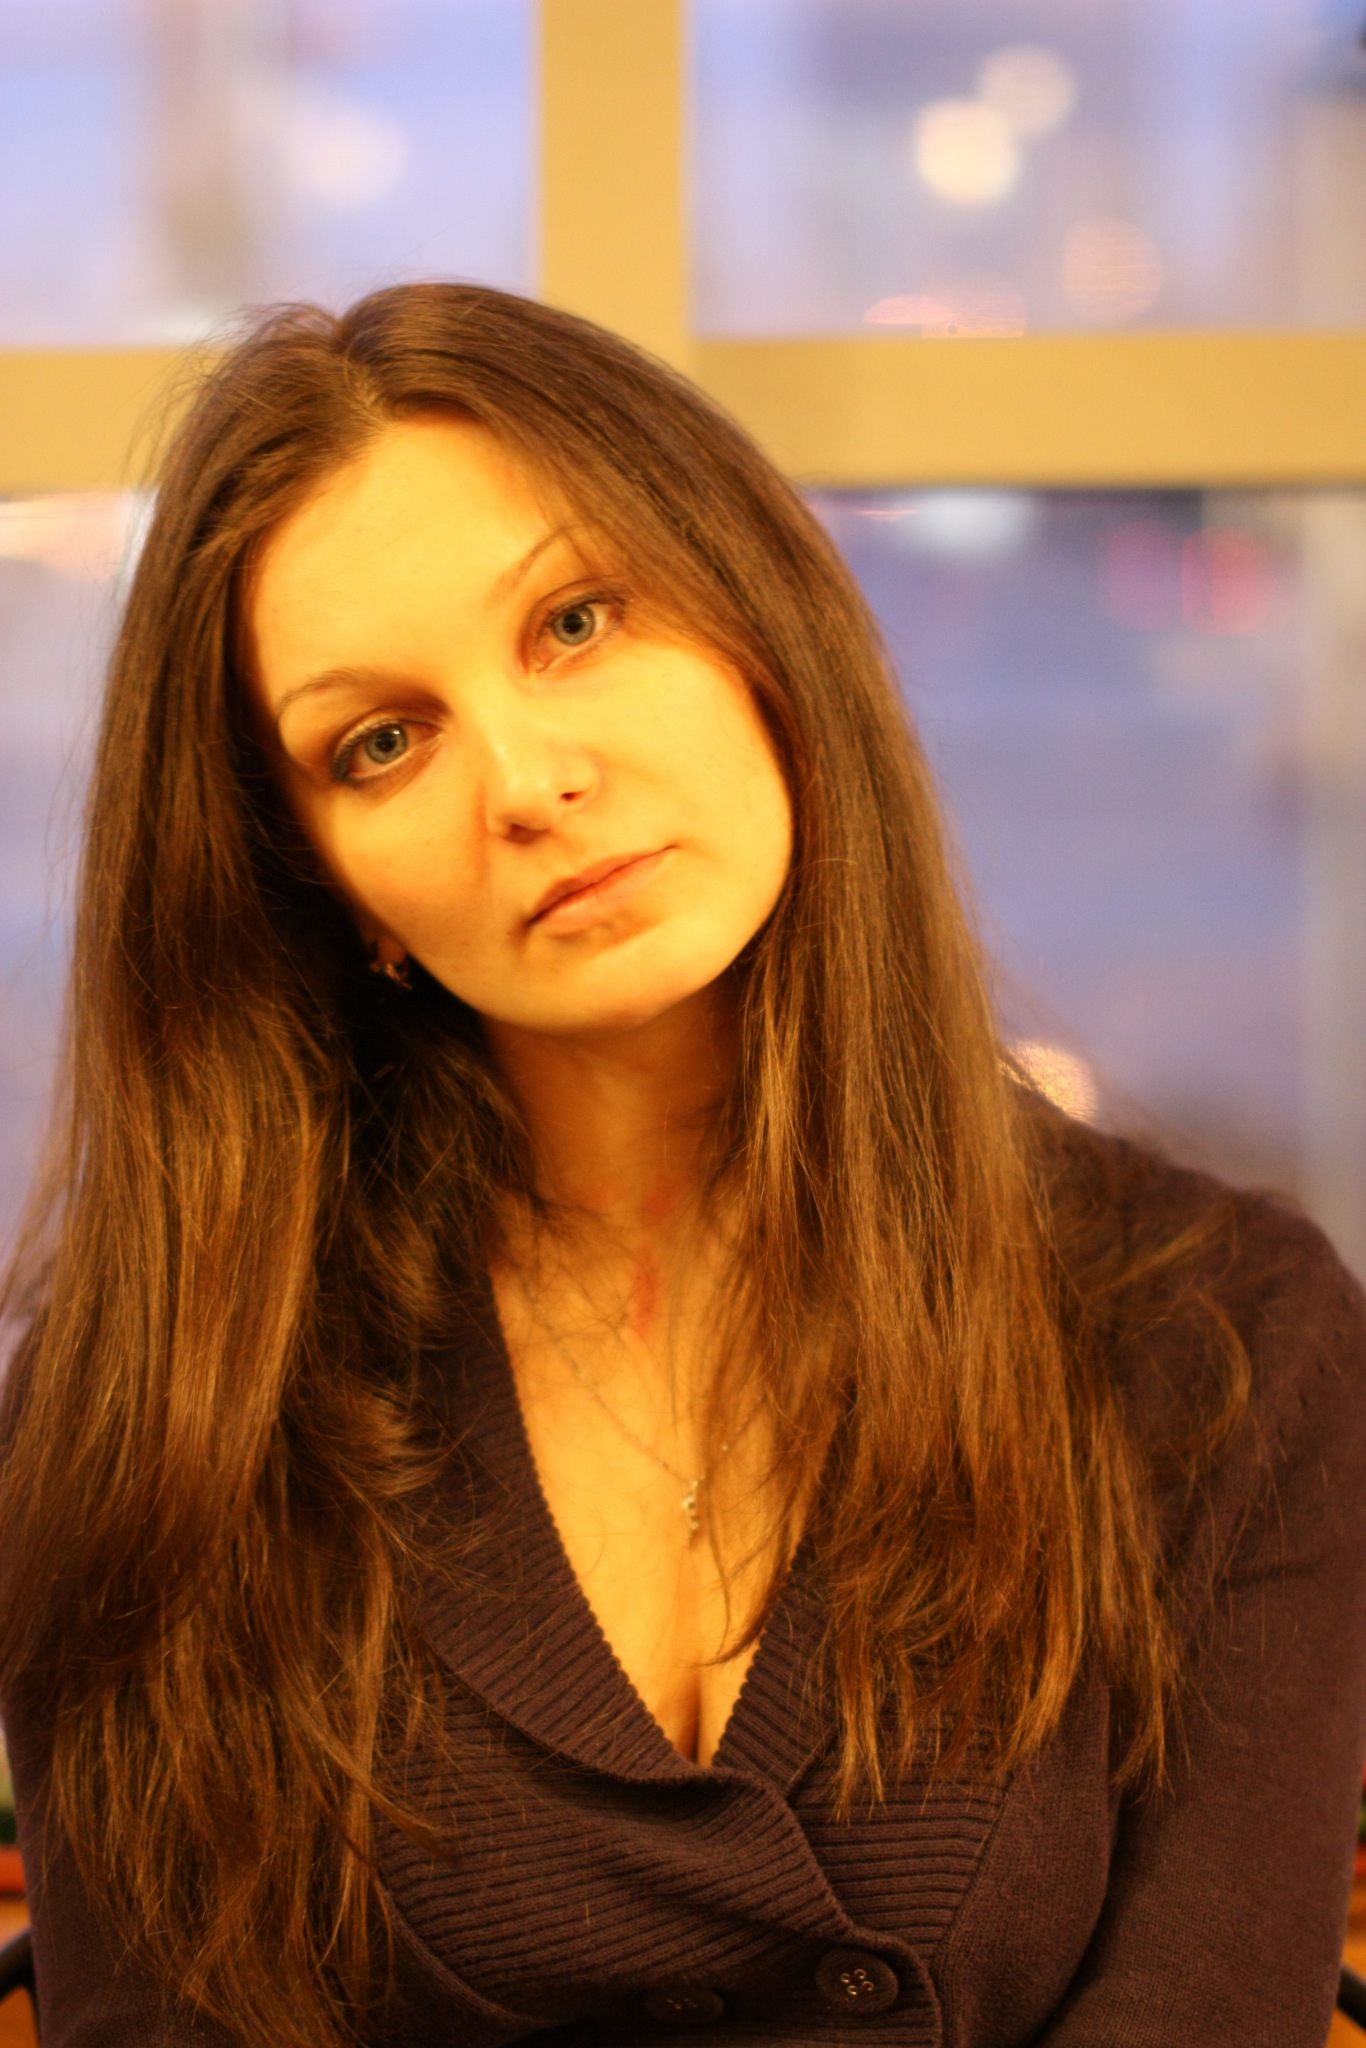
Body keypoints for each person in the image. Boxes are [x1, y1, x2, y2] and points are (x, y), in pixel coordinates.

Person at [0, 282, 1363, 2048]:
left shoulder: (1235, 1343)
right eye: (380, 743)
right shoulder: (158, 1412)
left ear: (760, 624)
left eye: (574, 622)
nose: (526, 781)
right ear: (330, 888)